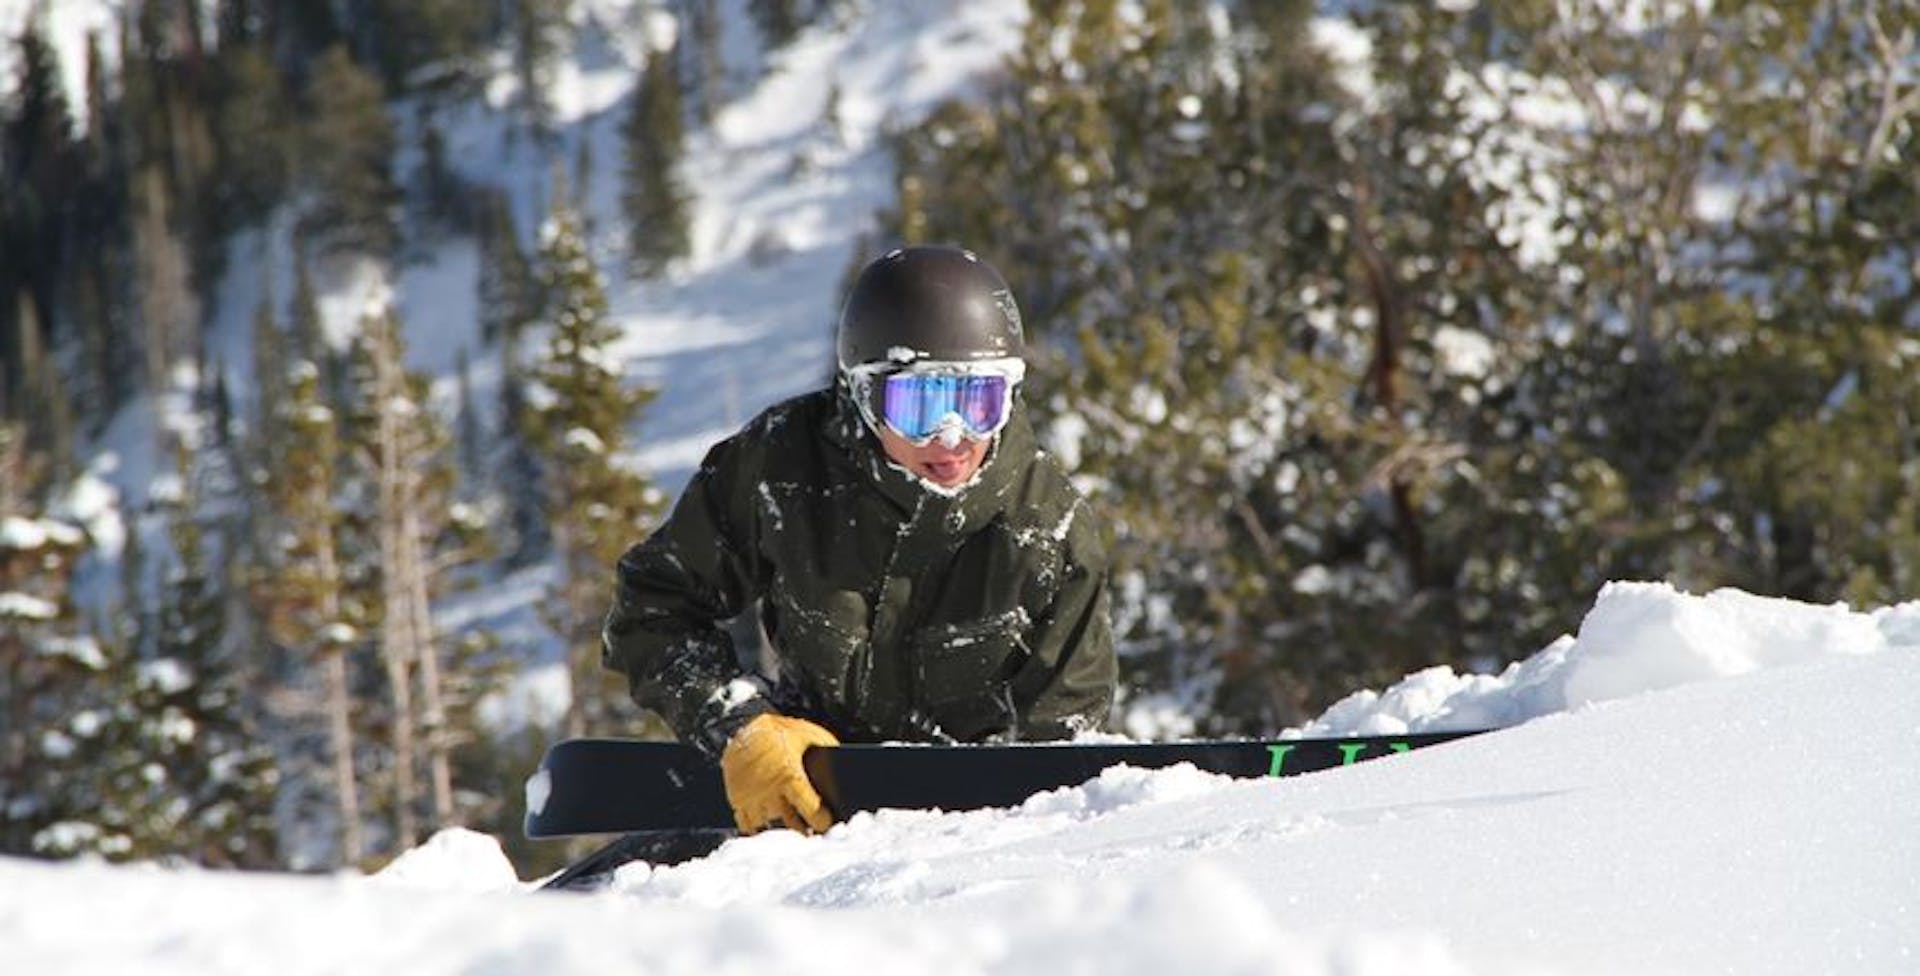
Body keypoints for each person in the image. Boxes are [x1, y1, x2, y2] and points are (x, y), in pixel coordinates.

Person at [602, 245, 1116, 837]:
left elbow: (1057, 754)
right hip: (796, 804)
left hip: (973, 838)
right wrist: (738, 725)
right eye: (918, 406)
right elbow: (652, 605)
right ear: (865, 396)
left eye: (979, 402)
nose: (952, 438)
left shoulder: (1049, 532)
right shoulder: (784, 467)